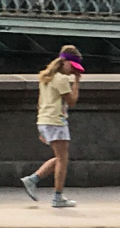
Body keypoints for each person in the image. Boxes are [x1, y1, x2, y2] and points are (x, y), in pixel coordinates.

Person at [21, 44, 87, 208]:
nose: (73, 71)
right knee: (63, 160)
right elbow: (71, 101)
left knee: (60, 158)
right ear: (65, 62)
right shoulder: (61, 79)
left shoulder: (45, 77)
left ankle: (33, 179)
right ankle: (56, 196)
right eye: (73, 67)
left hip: (44, 120)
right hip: (56, 121)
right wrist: (77, 82)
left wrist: (40, 127)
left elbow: (40, 103)